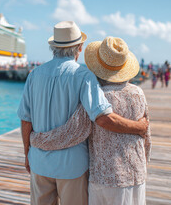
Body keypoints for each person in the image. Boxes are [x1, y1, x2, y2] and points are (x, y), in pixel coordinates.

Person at [17, 22, 148, 205]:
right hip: (72, 167)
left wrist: (27, 154)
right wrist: (139, 127)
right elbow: (103, 118)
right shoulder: (83, 75)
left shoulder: (34, 74)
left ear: (53, 47)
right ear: (79, 47)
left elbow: (26, 120)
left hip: (39, 161)